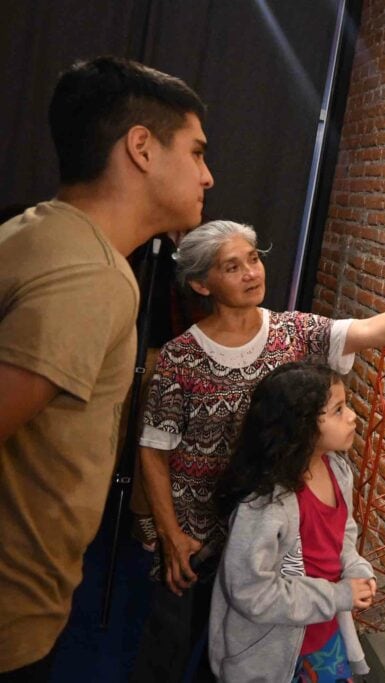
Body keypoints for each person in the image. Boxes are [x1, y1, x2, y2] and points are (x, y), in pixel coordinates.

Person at [131, 220, 385, 681]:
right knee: (172, 644)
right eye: (232, 266)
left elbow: (366, 331)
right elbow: (153, 451)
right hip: (198, 530)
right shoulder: (180, 357)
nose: (251, 272)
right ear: (203, 283)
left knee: (254, 645)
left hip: (277, 525)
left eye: (253, 259)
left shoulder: (293, 330)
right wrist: (171, 535)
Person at [0, 57, 212, 678]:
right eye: (196, 152)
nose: (207, 174)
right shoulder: (93, 274)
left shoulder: (34, 230)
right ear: (141, 148)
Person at [209, 361, 375, 682]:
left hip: (324, 637)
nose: (353, 416)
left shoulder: (338, 472)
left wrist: (355, 571)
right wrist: (339, 595)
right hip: (270, 651)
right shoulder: (265, 503)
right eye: (338, 410)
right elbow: (250, 592)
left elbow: (343, 538)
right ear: (301, 426)